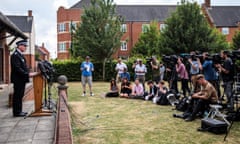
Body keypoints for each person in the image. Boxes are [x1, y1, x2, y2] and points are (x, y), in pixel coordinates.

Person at [11, 40, 30, 117]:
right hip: (18, 79)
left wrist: (27, 72)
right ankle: (17, 112)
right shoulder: (15, 55)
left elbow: (24, 67)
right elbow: (17, 68)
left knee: (20, 95)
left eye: (26, 46)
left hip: (21, 79)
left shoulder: (20, 55)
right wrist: (26, 74)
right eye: (24, 46)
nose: (25, 48)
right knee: (17, 96)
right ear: (19, 46)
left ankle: (19, 111)